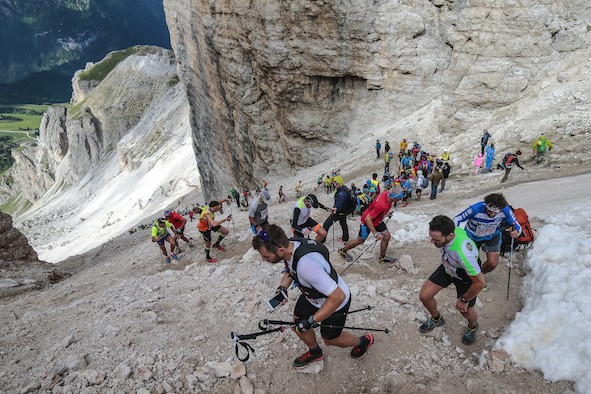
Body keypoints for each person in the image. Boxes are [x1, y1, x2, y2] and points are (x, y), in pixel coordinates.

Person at [252, 224, 374, 368]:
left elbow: (337, 296)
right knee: (298, 322)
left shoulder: (306, 266)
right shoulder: (292, 245)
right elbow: (290, 268)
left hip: (335, 302)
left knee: (330, 339)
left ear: (280, 250)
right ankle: (315, 352)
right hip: (313, 294)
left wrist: (312, 320)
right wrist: (283, 288)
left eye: (266, 256)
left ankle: (363, 341)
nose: (264, 260)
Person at [418, 215, 486, 345]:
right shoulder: (452, 229)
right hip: (449, 266)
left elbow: (480, 283)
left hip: (464, 274)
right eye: (431, 237)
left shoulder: (463, 254)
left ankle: (473, 326)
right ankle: (437, 319)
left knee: (466, 311)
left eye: (436, 239)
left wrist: (464, 299)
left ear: (449, 236)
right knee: (424, 296)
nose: (432, 242)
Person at [453, 193, 522, 274]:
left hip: (492, 235)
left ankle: (479, 274)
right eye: (489, 211)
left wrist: (516, 232)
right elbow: (457, 219)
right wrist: (456, 234)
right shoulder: (475, 209)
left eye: (495, 213)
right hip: (472, 236)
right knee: (470, 261)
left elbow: (517, 225)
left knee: (492, 264)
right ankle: (473, 277)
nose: (491, 214)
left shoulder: (505, 210)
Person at [338, 189, 403, 264]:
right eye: (398, 199)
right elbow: (368, 219)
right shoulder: (381, 205)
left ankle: (382, 258)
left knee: (387, 236)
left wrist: (385, 214)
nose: (399, 200)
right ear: (393, 198)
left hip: (377, 220)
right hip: (366, 222)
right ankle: (343, 250)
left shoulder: (387, 194)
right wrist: (375, 234)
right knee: (360, 240)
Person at [322, 176, 350, 245]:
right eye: (334, 184)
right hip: (344, 211)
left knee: (326, 224)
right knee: (343, 224)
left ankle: (322, 240)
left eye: (337, 184)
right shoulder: (344, 189)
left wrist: (336, 208)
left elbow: (340, 201)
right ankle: (345, 238)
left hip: (339, 212)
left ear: (340, 183)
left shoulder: (341, 193)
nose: (335, 185)